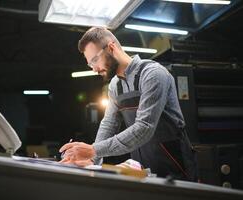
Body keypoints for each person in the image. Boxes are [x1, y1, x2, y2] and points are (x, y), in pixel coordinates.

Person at [60, 27, 197, 181]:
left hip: (175, 164)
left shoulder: (153, 74)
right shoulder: (115, 85)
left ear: (111, 48)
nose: (94, 69)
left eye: (94, 60)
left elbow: (144, 127)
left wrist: (93, 150)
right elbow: (109, 125)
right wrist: (93, 159)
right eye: (90, 64)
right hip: (144, 167)